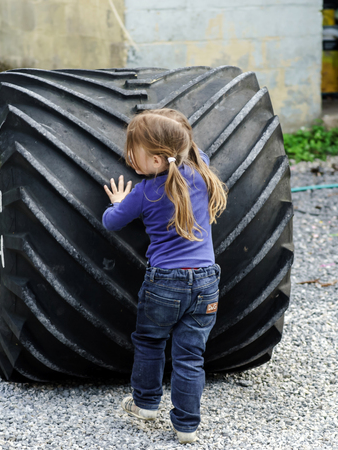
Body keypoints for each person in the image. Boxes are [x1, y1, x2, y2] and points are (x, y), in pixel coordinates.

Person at [102, 108, 227, 444]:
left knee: (150, 341)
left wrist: (118, 201)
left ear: (157, 161)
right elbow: (193, 148)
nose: (129, 156)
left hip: (165, 283)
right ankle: (186, 426)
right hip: (205, 283)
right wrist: (170, 123)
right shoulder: (199, 171)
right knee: (190, 356)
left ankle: (145, 404)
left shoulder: (145, 192)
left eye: (135, 151)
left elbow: (111, 222)